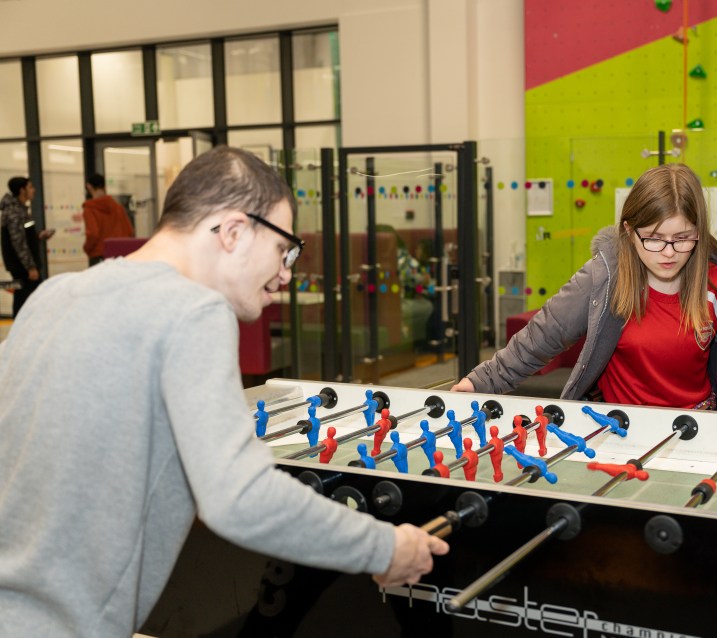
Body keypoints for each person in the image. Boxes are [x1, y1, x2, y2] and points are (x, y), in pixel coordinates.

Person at [0, 146, 448, 638]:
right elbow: (240, 497)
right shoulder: (191, 311)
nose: (287, 273)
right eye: (284, 249)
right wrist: (384, 548)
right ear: (234, 231)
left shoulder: (54, 296)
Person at [452, 163, 717, 417]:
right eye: (654, 238)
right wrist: (479, 383)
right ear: (629, 230)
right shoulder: (604, 279)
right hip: (620, 430)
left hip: (700, 429)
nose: (669, 252)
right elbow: (540, 337)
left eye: (683, 237)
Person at [0, 176, 55, 316]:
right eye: (30, 187)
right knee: (27, 296)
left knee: (26, 296)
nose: (33, 190)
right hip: (22, 266)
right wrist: (30, 267)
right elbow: (18, 242)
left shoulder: (21, 210)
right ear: (21, 190)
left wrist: (38, 236)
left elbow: (24, 236)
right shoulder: (14, 212)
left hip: (23, 265)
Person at [82, 172, 135, 267]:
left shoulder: (90, 209)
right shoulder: (118, 208)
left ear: (89, 187)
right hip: (120, 256)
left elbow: (93, 234)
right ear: (104, 186)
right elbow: (130, 231)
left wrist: (87, 249)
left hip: (99, 256)